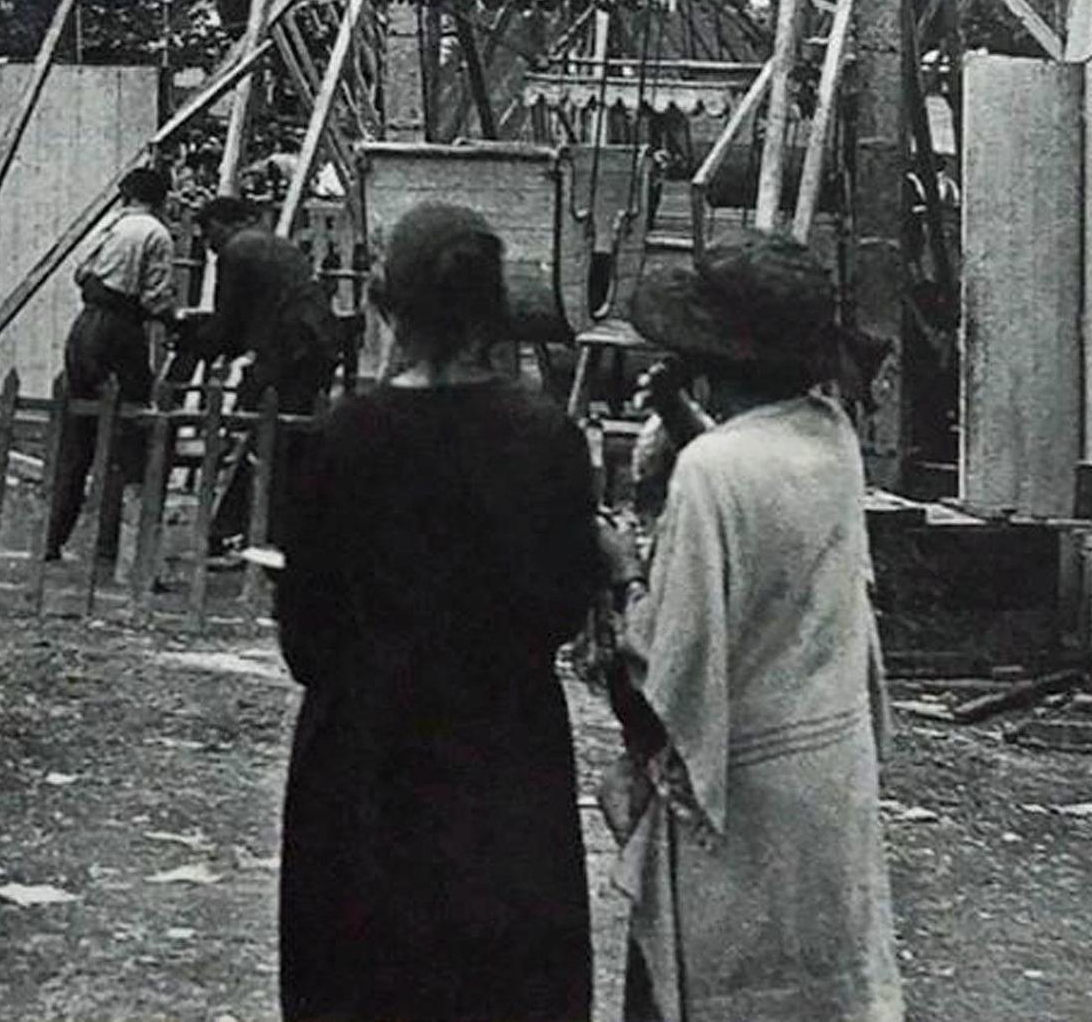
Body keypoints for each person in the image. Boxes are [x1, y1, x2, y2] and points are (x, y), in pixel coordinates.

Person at [274, 201, 601, 1022]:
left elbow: (305, 639)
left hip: (365, 766)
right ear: (494, 309)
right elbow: (564, 608)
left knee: (365, 987)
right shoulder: (547, 439)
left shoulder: (342, 439)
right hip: (504, 764)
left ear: (385, 305)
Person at [611, 230, 902, 1022]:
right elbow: (762, 487)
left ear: (709, 354)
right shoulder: (830, 436)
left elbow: (662, 663)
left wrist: (623, 573)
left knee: (710, 984)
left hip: (738, 783)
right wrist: (683, 419)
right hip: (825, 774)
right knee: (813, 988)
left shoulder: (710, 473)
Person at [193, 194, 344, 552]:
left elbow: (228, 321)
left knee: (263, 438)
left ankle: (231, 529)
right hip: (314, 345)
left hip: (289, 350)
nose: (209, 244)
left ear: (226, 224)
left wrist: (197, 344)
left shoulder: (237, 251)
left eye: (209, 232)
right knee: (288, 439)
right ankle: (268, 528)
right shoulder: (276, 245)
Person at [45, 165, 177, 565]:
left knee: (77, 435)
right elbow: (155, 297)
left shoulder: (110, 224)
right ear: (161, 199)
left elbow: (81, 273)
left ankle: (53, 539)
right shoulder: (155, 232)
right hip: (120, 330)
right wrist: (175, 322)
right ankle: (113, 545)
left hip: (85, 327)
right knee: (133, 431)